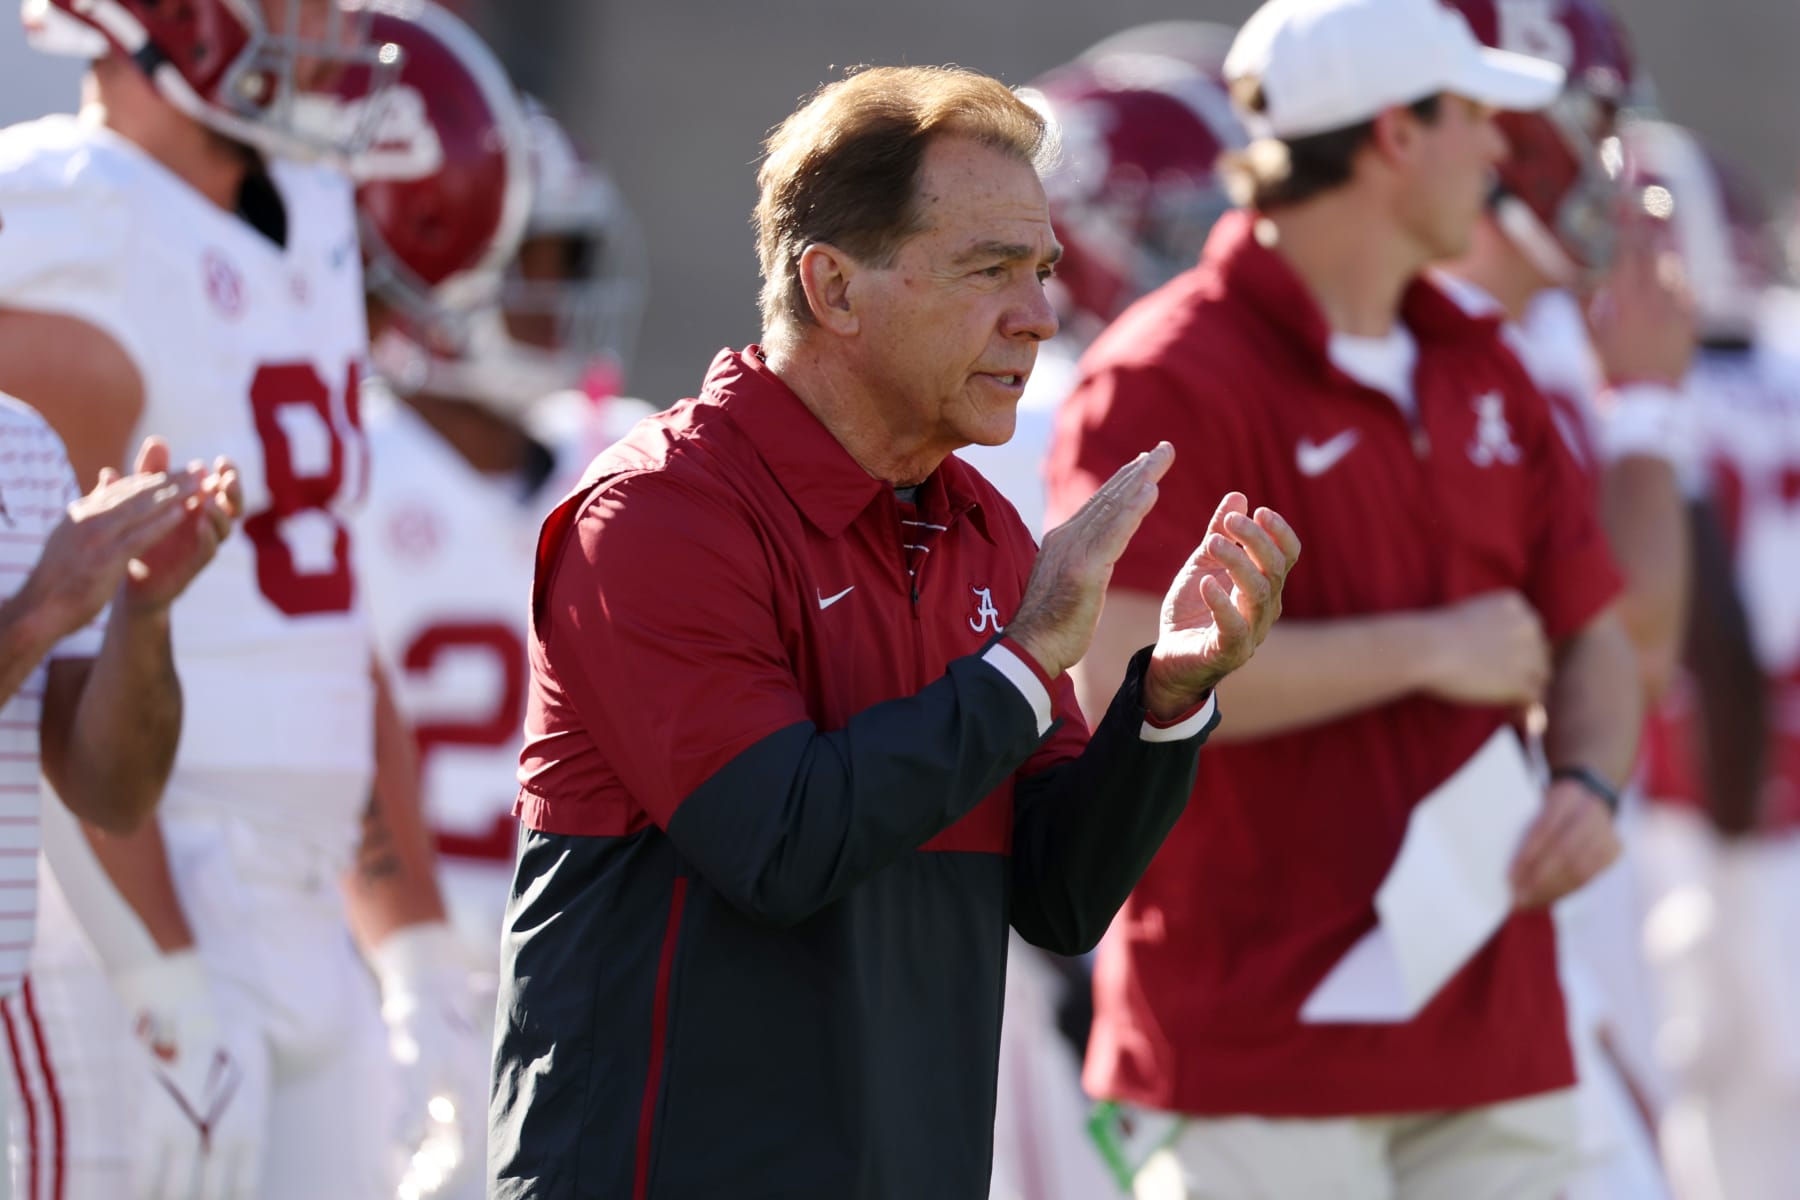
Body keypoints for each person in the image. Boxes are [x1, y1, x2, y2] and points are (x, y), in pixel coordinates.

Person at [490, 63, 1300, 1200]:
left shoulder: (977, 523)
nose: (1040, 313)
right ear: (833, 287)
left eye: (1045, 270)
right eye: (991, 270)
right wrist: (1022, 665)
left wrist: (1164, 701)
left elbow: (1058, 896)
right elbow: (777, 847)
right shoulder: (657, 513)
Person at [1044, 0, 1643, 1195]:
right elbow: (1119, 679)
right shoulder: (1166, 371)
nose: (1496, 152)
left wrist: (1586, 780)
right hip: (1252, 1043)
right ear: (1394, 137)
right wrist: (1430, 648)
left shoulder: (1484, 361)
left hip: (1493, 1028)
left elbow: (1596, 637)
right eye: (1472, 117)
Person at [0, 1, 464, 1195]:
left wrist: (413, 956)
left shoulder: (306, 210)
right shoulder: (64, 209)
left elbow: (321, 630)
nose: (330, 22)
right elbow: (45, 651)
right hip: (120, 883)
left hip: (306, 887)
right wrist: (155, 971)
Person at [351, 8, 653, 1195]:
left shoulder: (623, 457)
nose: (553, 293)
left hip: (576, 963)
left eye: (563, 259)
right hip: (383, 961)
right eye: (527, 256)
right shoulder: (346, 463)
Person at [1433, 5, 1693, 1195]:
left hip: (1524, 865)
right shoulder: (1454, 353)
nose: (1605, 175)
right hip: (1446, 905)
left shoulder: (1518, 340)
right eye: (1581, 129)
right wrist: (1645, 410)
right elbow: (1634, 648)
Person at [1625, 119, 1800, 1200]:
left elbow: (1723, 641)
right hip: (1743, 814)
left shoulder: (1665, 401)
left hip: (1724, 820)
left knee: (1722, 1123)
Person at [0, 408, 239, 1200]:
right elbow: (37, 613)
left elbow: (112, 793)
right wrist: (38, 607)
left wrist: (143, 608)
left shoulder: (23, 444)